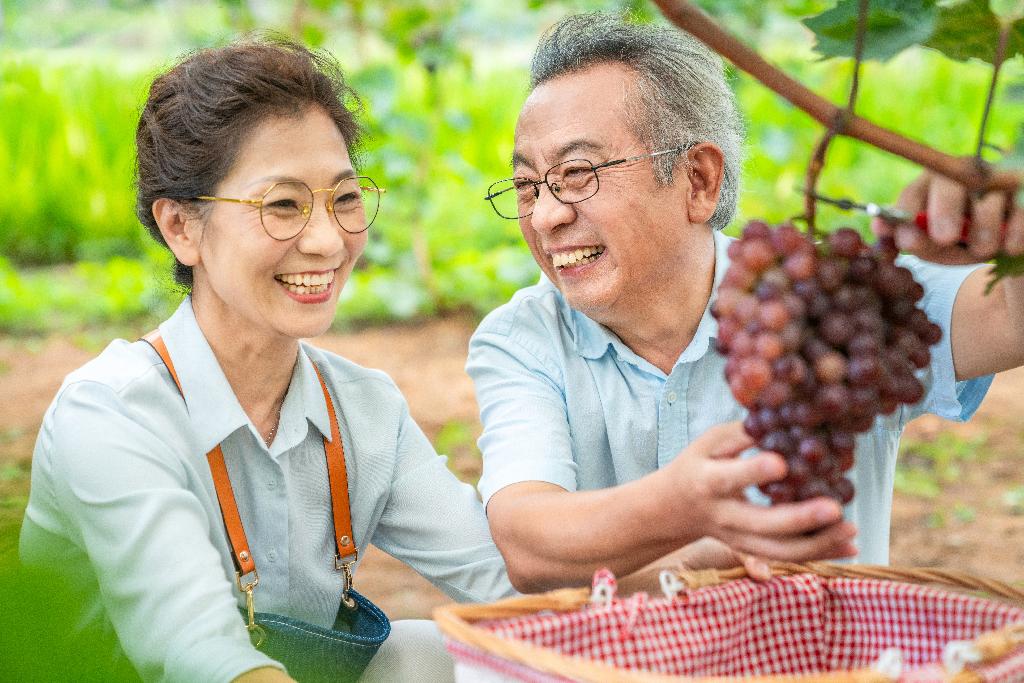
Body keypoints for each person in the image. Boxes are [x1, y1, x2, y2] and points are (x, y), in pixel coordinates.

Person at [467, 13, 1024, 593]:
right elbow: (528, 542)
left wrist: (1011, 226)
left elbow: (1013, 321)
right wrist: (685, 506)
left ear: (699, 181)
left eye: (578, 174)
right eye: (528, 187)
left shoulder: (832, 301)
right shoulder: (523, 339)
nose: (544, 216)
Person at [18, 40, 514, 683]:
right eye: (282, 205)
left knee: (431, 653)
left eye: (344, 198)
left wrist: (674, 572)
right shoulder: (112, 414)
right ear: (180, 227)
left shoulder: (363, 409)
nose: (327, 239)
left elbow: (503, 579)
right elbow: (198, 651)